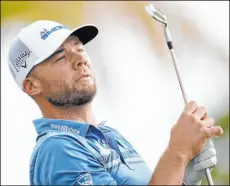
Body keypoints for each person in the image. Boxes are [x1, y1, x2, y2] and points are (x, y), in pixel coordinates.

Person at [8, 20, 223, 185]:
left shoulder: (110, 137)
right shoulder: (58, 149)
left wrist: (183, 175)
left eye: (80, 48)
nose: (80, 59)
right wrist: (178, 152)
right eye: (60, 57)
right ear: (31, 86)